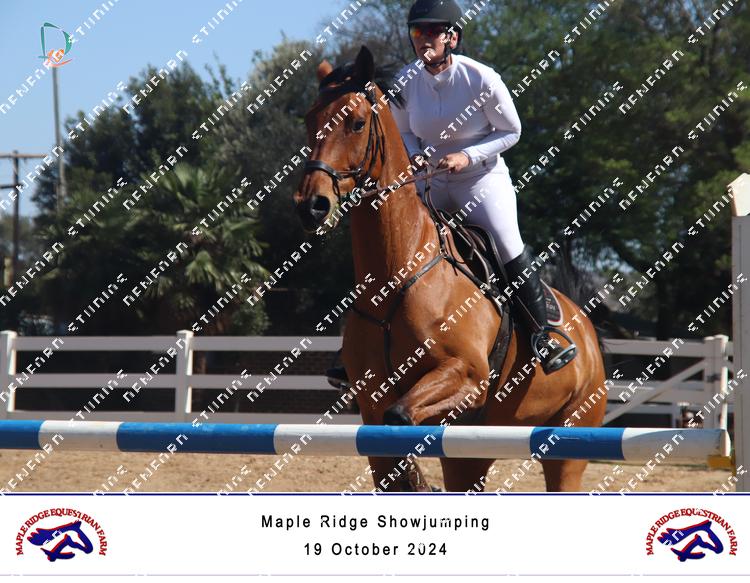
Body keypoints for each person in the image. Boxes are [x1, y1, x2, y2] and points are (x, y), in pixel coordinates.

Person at [390, 0, 576, 374]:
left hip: (480, 180)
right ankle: (362, 345)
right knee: (394, 243)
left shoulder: (481, 79)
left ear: (452, 38)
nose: (424, 38)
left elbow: (512, 131)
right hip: (431, 181)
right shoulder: (405, 82)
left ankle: (542, 336)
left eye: (433, 31)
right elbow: (403, 130)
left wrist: (468, 156)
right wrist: (415, 156)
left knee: (506, 243)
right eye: (417, 31)